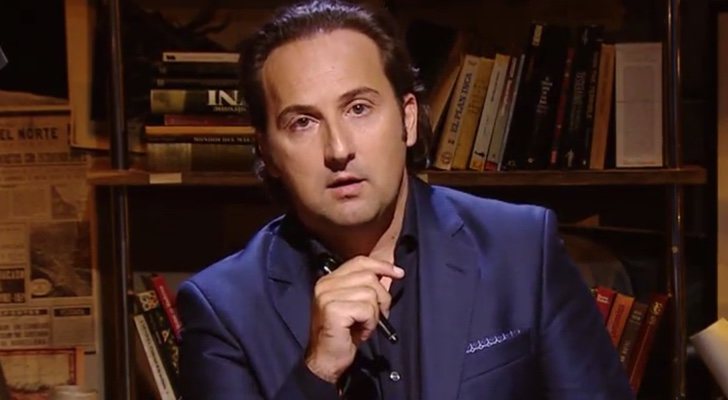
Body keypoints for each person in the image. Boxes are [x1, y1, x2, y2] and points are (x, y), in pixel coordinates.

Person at [176, 0, 634, 399]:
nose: (338, 149)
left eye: (359, 108)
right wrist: (316, 372)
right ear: (268, 153)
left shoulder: (522, 249)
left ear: (408, 119)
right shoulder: (223, 309)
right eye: (302, 122)